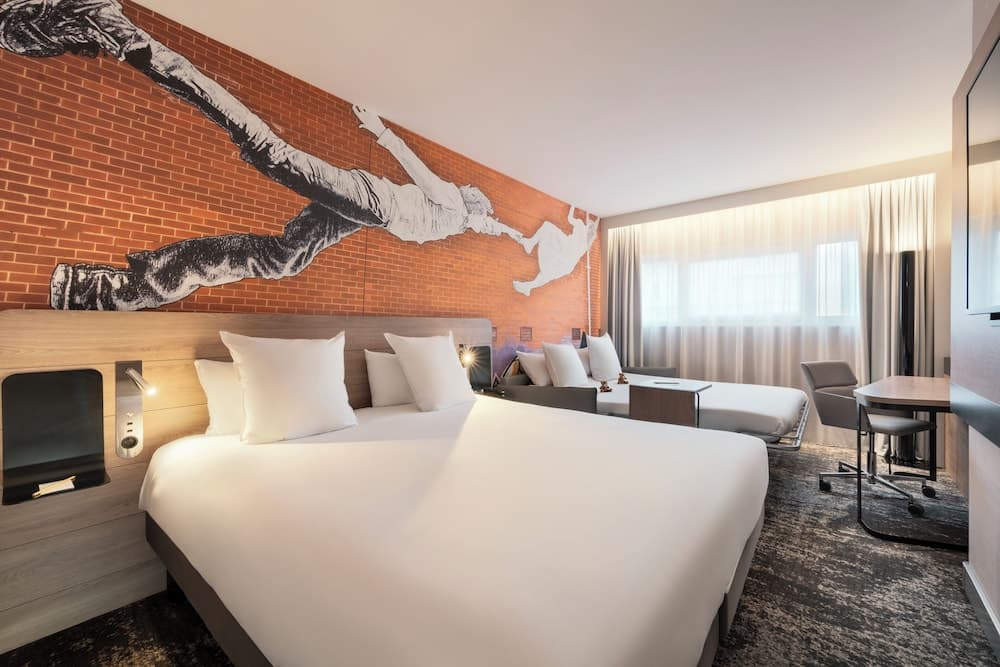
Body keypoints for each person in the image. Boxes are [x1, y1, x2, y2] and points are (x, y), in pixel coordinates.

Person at [2, 0, 538, 309]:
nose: (484, 221)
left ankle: (123, 288)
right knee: (269, 152)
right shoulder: (452, 203)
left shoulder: (464, 220)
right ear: (471, 203)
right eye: (482, 211)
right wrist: (382, 132)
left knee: (285, 258)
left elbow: (494, 227)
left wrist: (514, 234)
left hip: (367, 214)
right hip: (373, 202)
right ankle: (113, 29)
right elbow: (423, 175)